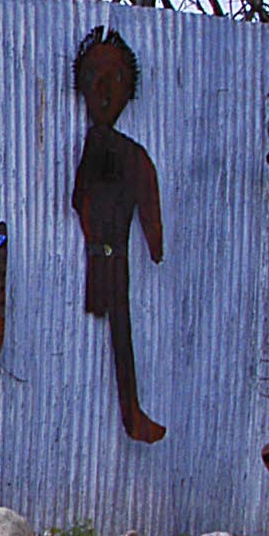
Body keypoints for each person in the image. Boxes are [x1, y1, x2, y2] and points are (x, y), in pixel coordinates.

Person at [71, 28, 165, 444]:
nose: (106, 94)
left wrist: (151, 240)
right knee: (118, 326)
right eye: (96, 80)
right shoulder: (107, 146)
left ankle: (132, 413)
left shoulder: (129, 152)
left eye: (116, 82)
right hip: (105, 254)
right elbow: (80, 199)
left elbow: (149, 215)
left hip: (115, 253)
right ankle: (132, 413)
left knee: (121, 327)